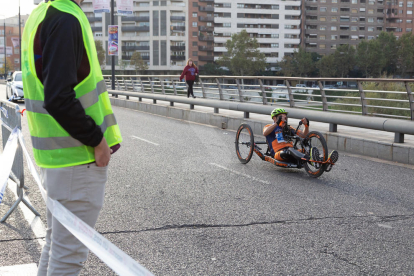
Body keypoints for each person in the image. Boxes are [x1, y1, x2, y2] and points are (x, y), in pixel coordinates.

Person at [21, 0, 122, 275]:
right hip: (79, 159)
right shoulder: (67, 18)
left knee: (56, 249)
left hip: (58, 161)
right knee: (67, 259)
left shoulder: (42, 14)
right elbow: (58, 98)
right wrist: (98, 142)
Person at [263, 108, 338, 167]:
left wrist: (306, 125)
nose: (284, 119)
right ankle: (312, 161)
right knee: (290, 150)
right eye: (281, 117)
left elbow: (304, 135)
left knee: (306, 150)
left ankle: (324, 161)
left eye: (285, 118)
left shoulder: (289, 128)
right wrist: (277, 123)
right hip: (279, 153)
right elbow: (265, 133)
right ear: (274, 118)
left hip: (294, 153)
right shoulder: (269, 127)